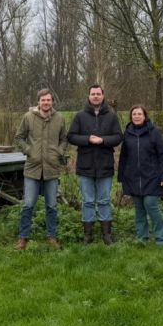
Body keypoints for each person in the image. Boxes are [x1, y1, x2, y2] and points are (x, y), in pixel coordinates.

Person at [67, 84, 123, 244]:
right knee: (88, 201)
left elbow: (118, 137)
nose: (96, 96)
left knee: (104, 200)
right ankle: (88, 235)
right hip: (85, 166)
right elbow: (71, 136)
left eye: (98, 94)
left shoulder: (112, 116)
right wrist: (87, 139)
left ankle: (107, 235)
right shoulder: (80, 116)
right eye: (93, 94)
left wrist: (103, 140)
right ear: (89, 96)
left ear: (103, 96)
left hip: (105, 165)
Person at [14, 88, 68, 250]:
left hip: (51, 168)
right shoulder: (28, 117)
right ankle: (23, 238)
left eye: (49, 100)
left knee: (51, 205)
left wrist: (58, 152)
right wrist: (29, 151)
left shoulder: (59, 118)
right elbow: (19, 137)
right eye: (43, 100)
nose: (46, 102)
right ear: (38, 101)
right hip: (32, 168)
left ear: (52, 101)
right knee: (28, 204)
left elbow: (64, 139)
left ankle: (51, 237)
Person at [117, 105, 163, 246]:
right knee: (139, 209)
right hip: (132, 177)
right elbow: (124, 156)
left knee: (151, 205)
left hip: (152, 177)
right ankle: (142, 238)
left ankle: (162, 239)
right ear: (131, 117)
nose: (136, 116)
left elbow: (162, 155)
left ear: (145, 116)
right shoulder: (127, 133)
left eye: (139, 114)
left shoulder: (154, 132)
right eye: (134, 114)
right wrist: (121, 176)